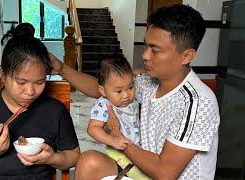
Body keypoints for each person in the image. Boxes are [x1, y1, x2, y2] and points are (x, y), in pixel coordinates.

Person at [50, 4, 220, 180]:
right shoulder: (149, 82)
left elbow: (165, 173)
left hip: (161, 174)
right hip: (142, 171)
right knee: (88, 162)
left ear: (187, 56)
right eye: (146, 46)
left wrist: (120, 139)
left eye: (155, 50)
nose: (145, 55)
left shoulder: (197, 103)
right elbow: (105, 89)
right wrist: (62, 68)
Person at [0, 23, 80, 180]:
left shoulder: (55, 110)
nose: (30, 92)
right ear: (2, 74)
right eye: (21, 82)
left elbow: (74, 156)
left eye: (39, 82)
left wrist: (52, 158)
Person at [88, 54, 149, 179]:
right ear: (103, 91)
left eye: (130, 87)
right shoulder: (104, 104)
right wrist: (113, 140)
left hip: (137, 149)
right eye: (119, 91)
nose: (126, 95)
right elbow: (92, 128)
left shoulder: (132, 98)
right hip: (117, 152)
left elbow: (138, 75)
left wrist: (140, 72)